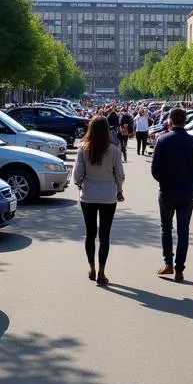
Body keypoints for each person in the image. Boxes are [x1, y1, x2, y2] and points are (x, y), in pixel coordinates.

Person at [150, 106, 193, 283]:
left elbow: (155, 170)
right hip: (187, 192)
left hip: (167, 191)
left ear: (170, 121)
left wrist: (164, 181)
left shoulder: (163, 140)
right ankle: (180, 269)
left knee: (166, 228)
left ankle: (168, 264)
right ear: (185, 121)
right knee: (183, 231)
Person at [73, 116, 125, 287]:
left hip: (88, 195)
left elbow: (77, 175)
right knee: (104, 235)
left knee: (90, 234)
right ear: (106, 131)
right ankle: (102, 271)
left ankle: (91, 268)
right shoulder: (114, 150)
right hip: (108, 196)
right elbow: (120, 175)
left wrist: (80, 184)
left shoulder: (83, 149)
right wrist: (119, 190)